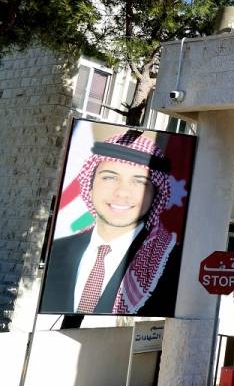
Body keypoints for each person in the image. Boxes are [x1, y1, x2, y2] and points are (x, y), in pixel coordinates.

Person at [40, 130, 181, 316]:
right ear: (89, 186)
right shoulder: (57, 250)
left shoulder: (173, 263)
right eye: (109, 177)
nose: (122, 192)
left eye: (140, 181)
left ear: (156, 194)